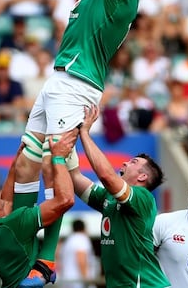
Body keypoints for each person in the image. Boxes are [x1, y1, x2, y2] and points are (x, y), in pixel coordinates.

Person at [8, 0, 156, 278]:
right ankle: (16, 248)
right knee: (25, 162)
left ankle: (45, 259)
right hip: (61, 78)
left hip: (77, 83)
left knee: (59, 163)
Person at [0, 129, 78, 288]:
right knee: (52, 183)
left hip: (4, 266)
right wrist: (58, 159)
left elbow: (7, 202)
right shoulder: (13, 225)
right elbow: (66, 201)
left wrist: (15, 164)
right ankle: (46, 263)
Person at [70, 105, 169, 288]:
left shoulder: (143, 197)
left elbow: (107, 176)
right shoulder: (109, 197)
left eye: (133, 162)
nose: (125, 162)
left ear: (142, 176)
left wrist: (84, 133)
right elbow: (75, 178)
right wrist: (67, 140)